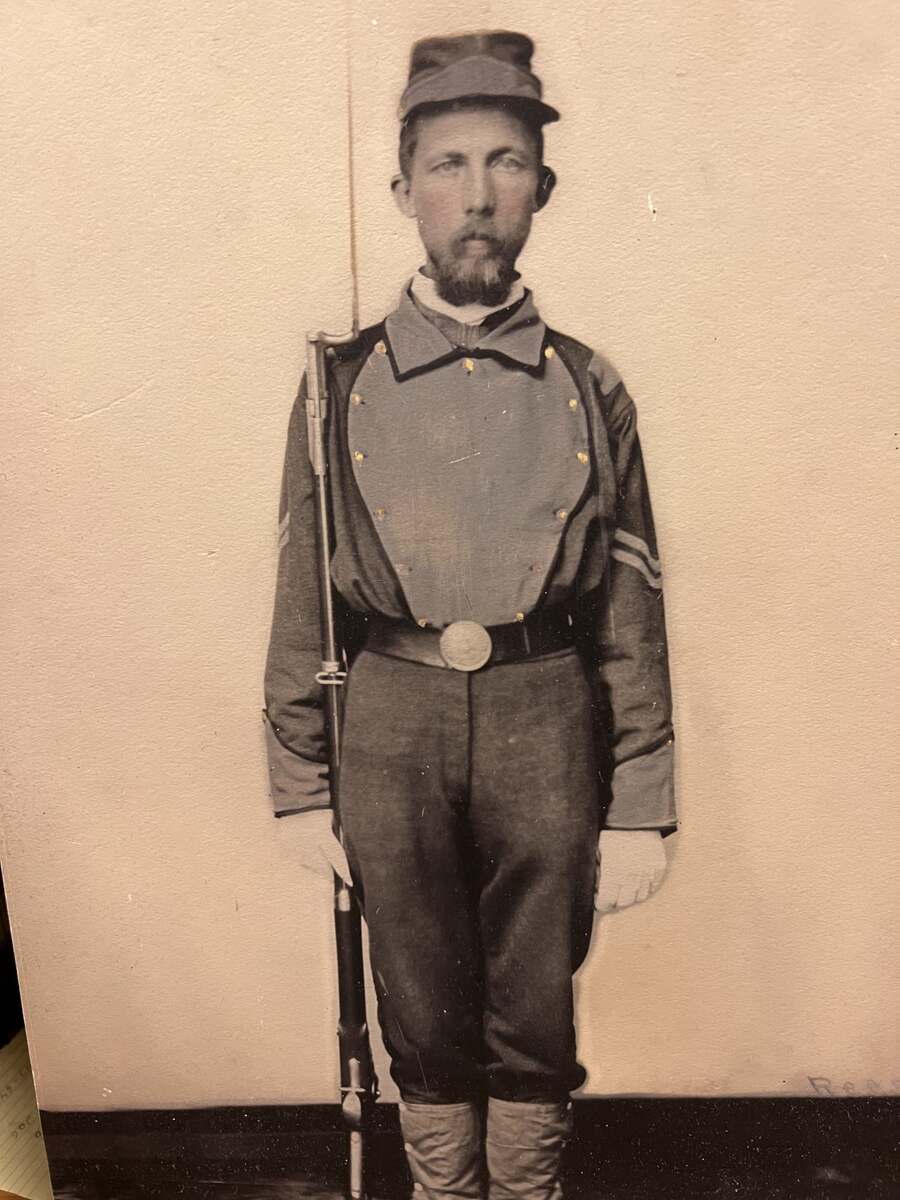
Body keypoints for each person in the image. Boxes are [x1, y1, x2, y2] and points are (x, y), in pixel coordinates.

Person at [264, 30, 677, 1200]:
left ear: (541, 189)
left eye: (506, 163)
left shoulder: (591, 387)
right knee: (419, 999)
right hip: (388, 720)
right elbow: (303, 595)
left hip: (550, 717)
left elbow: (631, 610)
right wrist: (301, 782)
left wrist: (640, 801)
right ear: (404, 192)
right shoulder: (332, 386)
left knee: (535, 1002)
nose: (479, 195)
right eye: (448, 165)